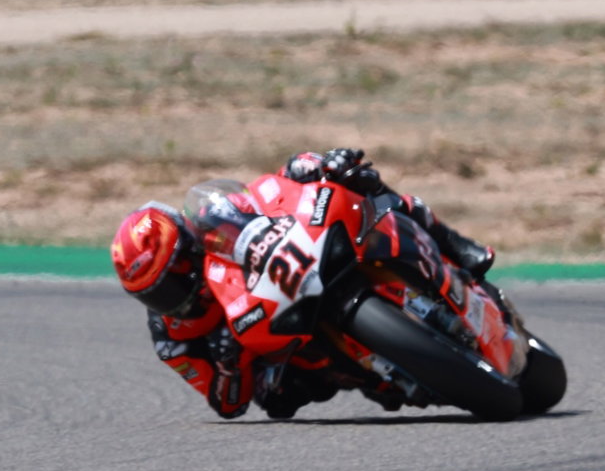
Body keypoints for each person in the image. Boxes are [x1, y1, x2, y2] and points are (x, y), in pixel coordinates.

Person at [110, 147, 495, 420]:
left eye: (172, 281)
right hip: (269, 342)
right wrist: (229, 367)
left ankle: (457, 245)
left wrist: (314, 164)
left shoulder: (217, 218)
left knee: (361, 183)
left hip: (294, 268)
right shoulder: (171, 338)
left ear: (187, 247)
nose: (170, 298)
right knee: (277, 398)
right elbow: (227, 405)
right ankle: (381, 372)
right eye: (153, 294)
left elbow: (271, 191)